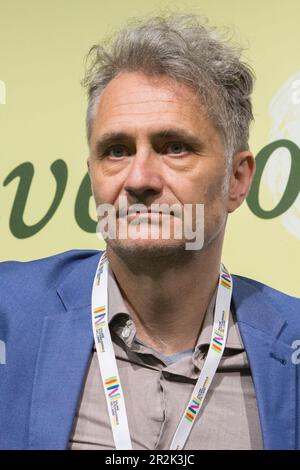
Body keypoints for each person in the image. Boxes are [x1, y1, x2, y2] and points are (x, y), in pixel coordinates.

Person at [0, 13, 299, 451]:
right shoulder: (10, 314)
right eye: (116, 151)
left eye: (174, 147)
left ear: (237, 179)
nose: (139, 178)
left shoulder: (290, 345)